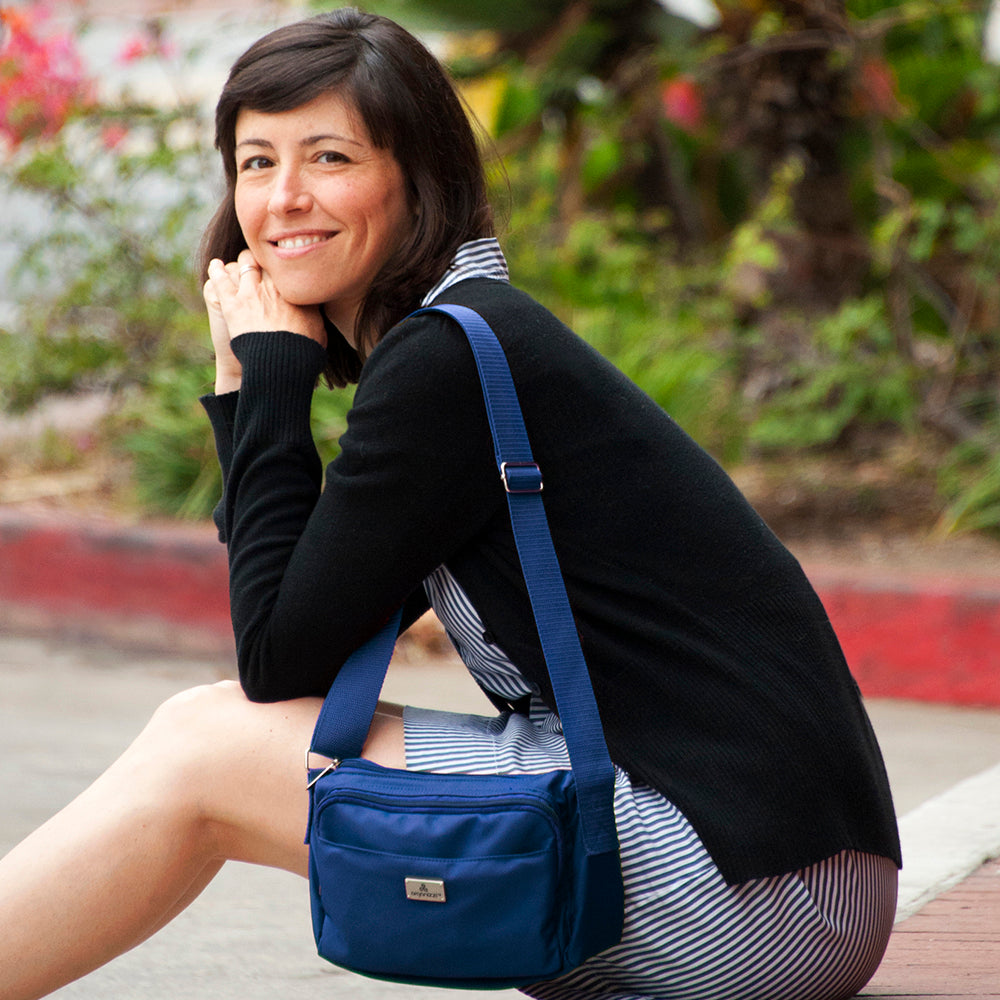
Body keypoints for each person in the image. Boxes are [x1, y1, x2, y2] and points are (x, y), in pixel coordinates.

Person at [0, 8, 901, 999]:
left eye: (329, 156)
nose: (284, 198)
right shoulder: (465, 341)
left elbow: (274, 659)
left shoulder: (448, 360)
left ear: (415, 174)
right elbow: (308, 622)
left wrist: (266, 386)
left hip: (754, 895)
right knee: (203, 730)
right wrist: (251, 386)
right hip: (795, 877)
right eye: (255, 163)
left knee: (204, 747)